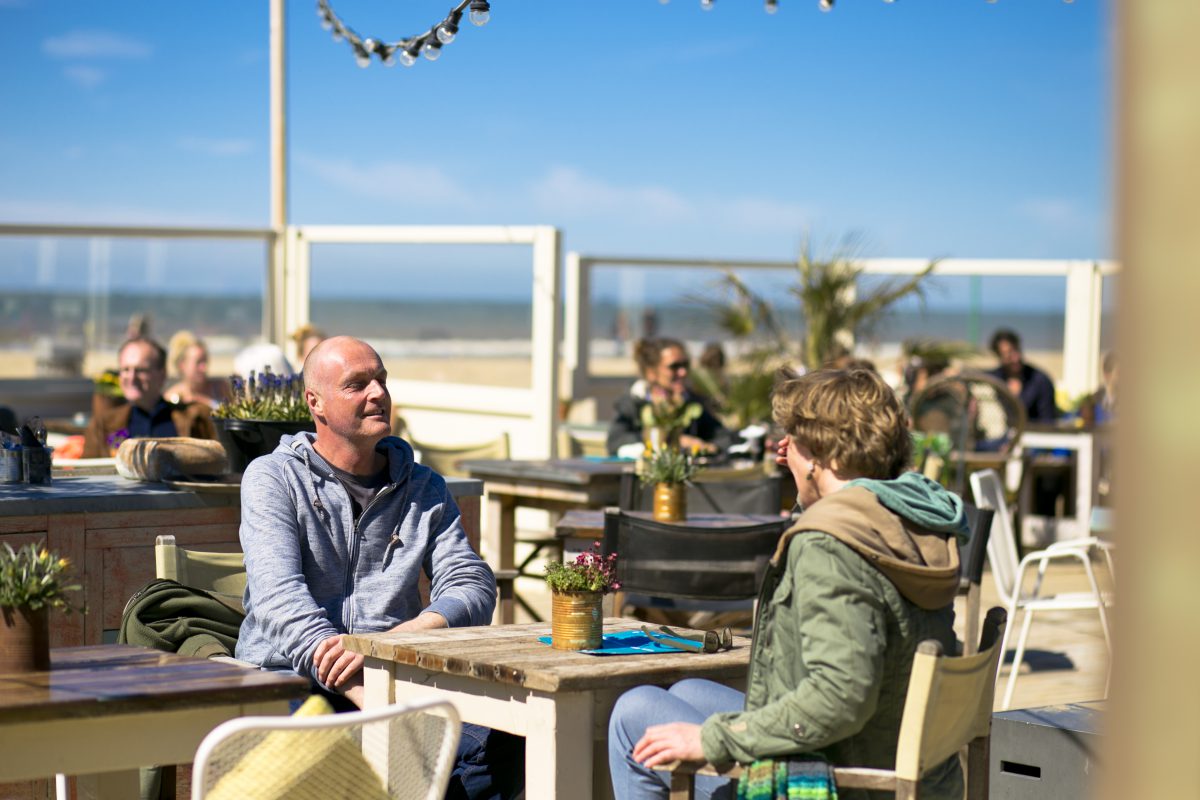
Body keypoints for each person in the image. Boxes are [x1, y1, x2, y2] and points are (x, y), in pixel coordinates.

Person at [607, 368, 967, 800]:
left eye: (794, 439)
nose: (787, 451)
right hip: (898, 760)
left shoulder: (829, 547)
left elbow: (840, 696)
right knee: (687, 691)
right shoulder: (905, 518)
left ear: (817, 453)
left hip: (838, 780)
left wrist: (714, 740)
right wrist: (809, 490)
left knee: (633, 715)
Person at [234, 336, 521, 799]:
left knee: (503, 744)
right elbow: (278, 598)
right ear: (316, 403)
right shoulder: (273, 477)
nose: (377, 393)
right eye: (357, 384)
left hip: (397, 679)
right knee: (341, 758)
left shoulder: (423, 486)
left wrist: (404, 638)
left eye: (381, 380)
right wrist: (366, 690)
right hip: (289, 680)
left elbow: (471, 581)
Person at [82, 337, 216, 457]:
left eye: (141, 370)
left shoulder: (196, 419)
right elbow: (87, 475)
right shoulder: (102, 426)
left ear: (162, 374)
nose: (132, 377)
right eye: (125, 370)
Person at [607, 338, 735, 457]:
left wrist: (709, 447)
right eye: (674, 367)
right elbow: (616, 442)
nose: (683, 372)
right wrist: (669, 441)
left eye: (685, 365)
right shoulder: (633, 403)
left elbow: (724, 437)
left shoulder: (694, 404)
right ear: (651, 372)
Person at [987, 328, 1058, 422]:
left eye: (1016, 351)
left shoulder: (1040, 381)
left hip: (1034, 435)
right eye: (1008, 355)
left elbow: (1047, 421)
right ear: (999, 356)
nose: (1015, 358)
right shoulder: (994, 379)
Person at [164, 331, 228, 409]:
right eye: (198, 362)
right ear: (182, 365)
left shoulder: (221, 388)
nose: (203, 368)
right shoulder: (172, 398)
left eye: (205, 361)